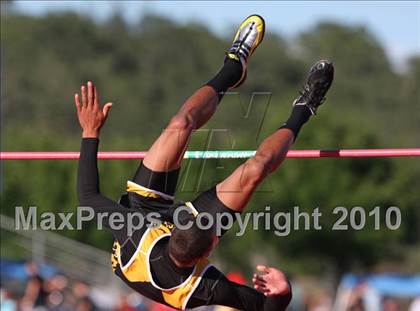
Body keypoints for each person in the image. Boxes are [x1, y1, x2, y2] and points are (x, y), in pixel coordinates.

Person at [75, 14, 334, 310]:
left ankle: (233, 66)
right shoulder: (206, 288)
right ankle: (305, 107)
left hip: (143, 217)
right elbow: (264, 308)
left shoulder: (133, 230)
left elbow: (87, 197)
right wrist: (283, 293)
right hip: (166, 245)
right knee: (256, 168)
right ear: (212, 246)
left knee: (180, 124)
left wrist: (90, 132)